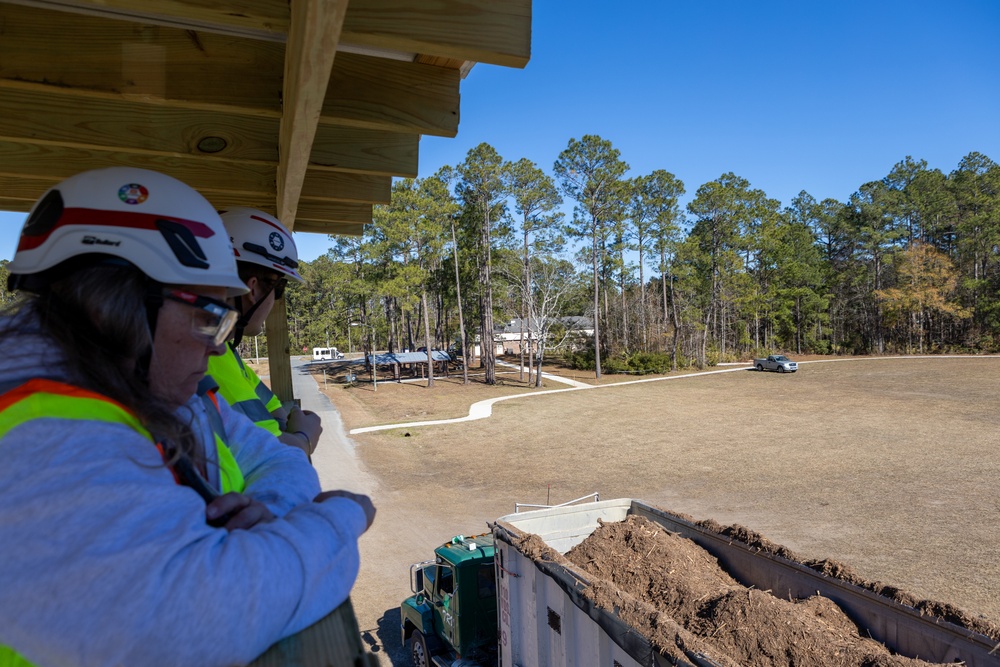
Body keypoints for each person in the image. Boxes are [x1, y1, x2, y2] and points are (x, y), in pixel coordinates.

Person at [0, 167, 375, 667]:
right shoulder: (39, 436)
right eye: (208, 317)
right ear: (121, 307)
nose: (213, 349)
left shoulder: (154, 387)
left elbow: (270, 456)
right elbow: (200, 619)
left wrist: (268, 521)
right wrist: (340, 521)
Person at [207, 207, 321, 455]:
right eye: (277, 291)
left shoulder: (224, 347)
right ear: (253, 289)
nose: (275, 301)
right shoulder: (207, 356)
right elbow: (273, 454)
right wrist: (304, 438)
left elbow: (272, 406)